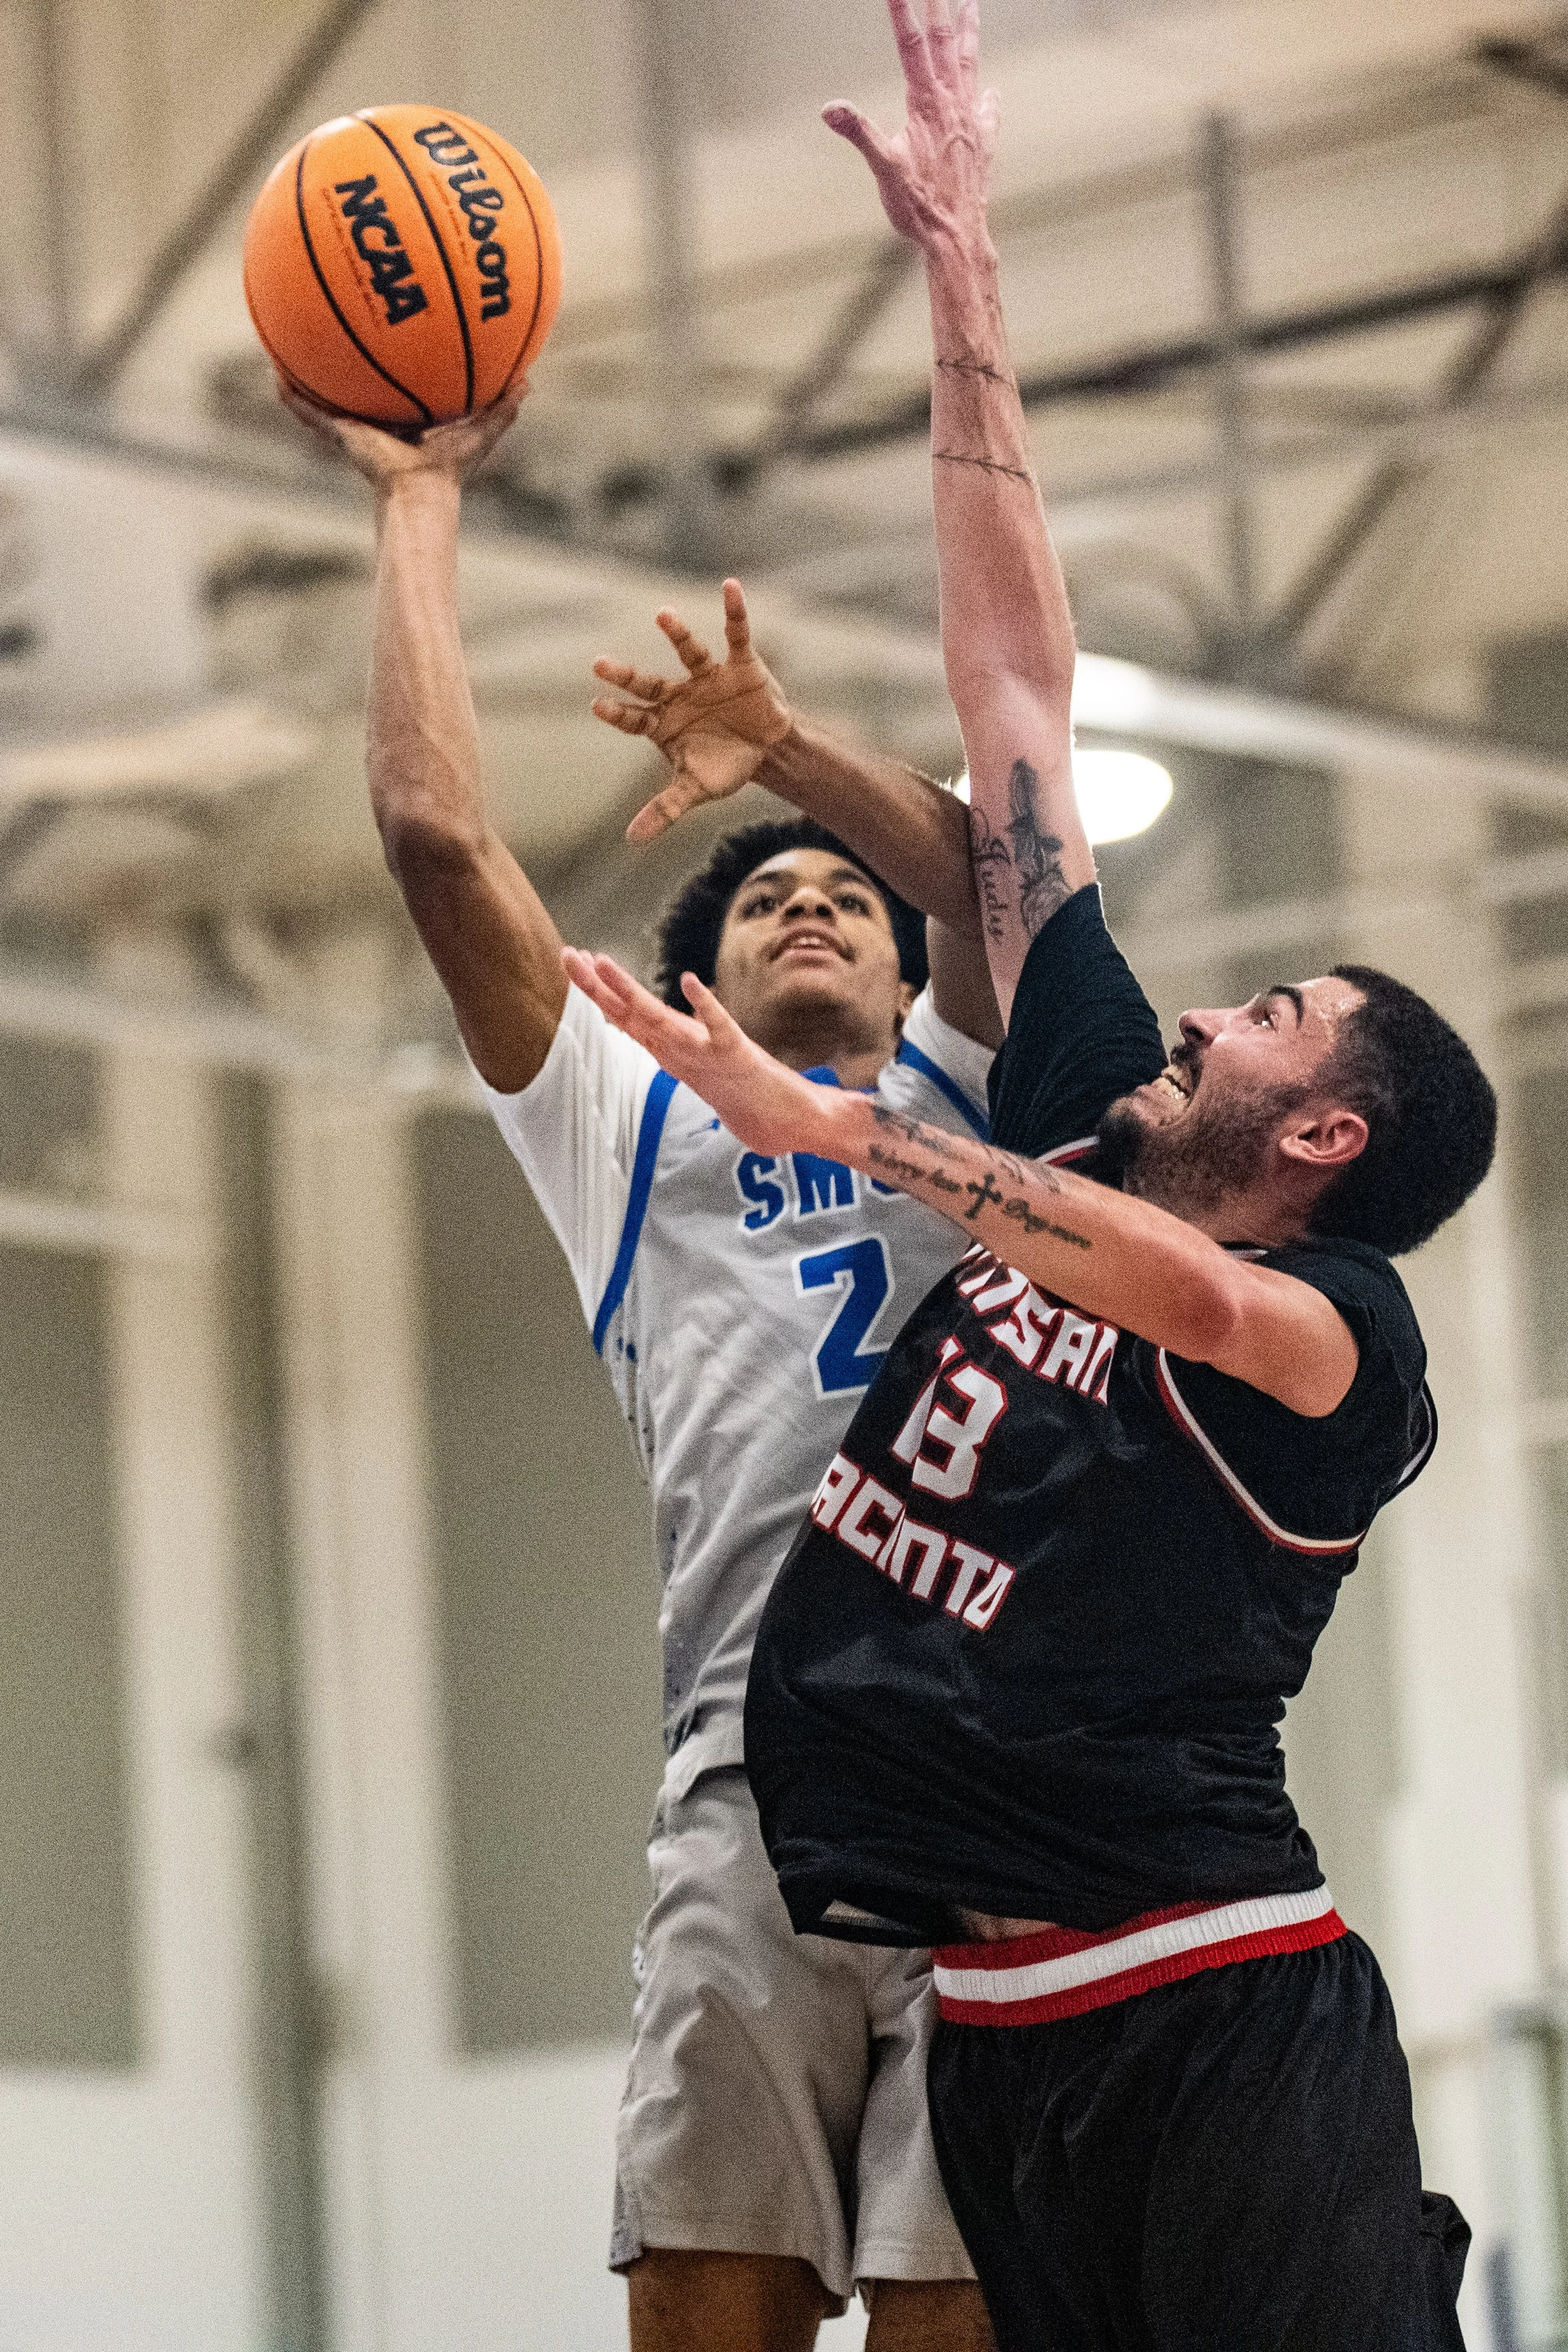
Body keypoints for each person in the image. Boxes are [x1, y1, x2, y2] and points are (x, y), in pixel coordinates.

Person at [562, 3, 1495, 2346]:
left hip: (1209, 2002)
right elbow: (1015, 718)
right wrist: (966, 304)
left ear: (1322, 1135)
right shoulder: (1092, 1098)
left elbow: (1196, 1307)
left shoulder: (1341, 1337)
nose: (1195, 1009)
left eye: (1264, 1019)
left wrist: (853, 1130)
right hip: (996, 2018)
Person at [277, 364, 1005, 2348]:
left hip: (1008, 1799)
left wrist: (787, 762)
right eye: (767, 896)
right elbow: (435, 833)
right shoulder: (635, 1129)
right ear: (706, 984)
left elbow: (994, 871)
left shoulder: (981, 1090)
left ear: (898, 966)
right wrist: (417, 498)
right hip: (752, 1791)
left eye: (842, 898)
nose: (807, 903)